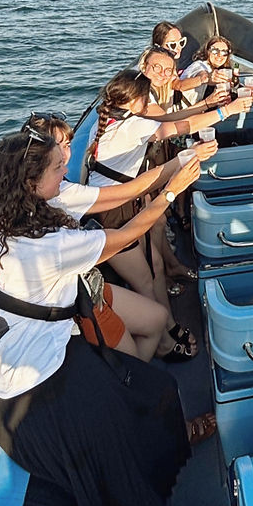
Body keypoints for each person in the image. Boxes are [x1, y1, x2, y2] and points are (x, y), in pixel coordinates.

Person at [0, 131, 220, 506]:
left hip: (21, 378)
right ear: (30, 184)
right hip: (47, 389)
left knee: (154, 391)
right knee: (118, 478)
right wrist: (169, 192)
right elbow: (127, 235)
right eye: (59, 168)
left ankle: (175, 438)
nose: (66, 167)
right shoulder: (50, 245)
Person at [22, 111, 217, 360]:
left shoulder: (57, 191)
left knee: (155, 309)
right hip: (72, 303)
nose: (65, 157)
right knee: (135, 343)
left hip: (86, 282)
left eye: (67, 145)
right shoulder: (60, 201)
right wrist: (171, 190)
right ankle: (138, 374)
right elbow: (126, 225)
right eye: (57, 150)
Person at [87, 68, 253, 313]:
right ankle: (163, 332)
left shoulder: (110, 119)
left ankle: (168, 322)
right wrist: (227, 110)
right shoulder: (132, 126)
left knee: (154, 263)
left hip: (118, 203)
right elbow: (183, 127)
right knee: (144, 278)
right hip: (114, 213)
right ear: (136, 101)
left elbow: (167, 122)